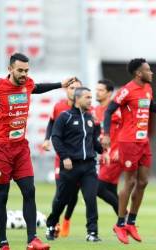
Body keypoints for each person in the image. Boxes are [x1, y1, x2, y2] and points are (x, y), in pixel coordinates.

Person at [0, 52, 75, 250]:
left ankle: (32, 240)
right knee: (2, 195)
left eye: (26, 70)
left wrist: (61, 84)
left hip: (20, 147)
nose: (24, 74)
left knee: (29, 191)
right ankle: (3, 243)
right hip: (1, 148)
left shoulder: (28, 83)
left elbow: (38, 88)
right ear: (10, 69)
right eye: (20, 70)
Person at [102, 58, 156, 244]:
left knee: (143, 182)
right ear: (139, 73)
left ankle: (131, 222)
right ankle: (120, 224)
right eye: (148, 70)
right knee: (130, 181)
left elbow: (149, 106)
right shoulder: (126, 90)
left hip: (143, 142)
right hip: (128, 142)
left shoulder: (147, 89)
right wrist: (106, 134)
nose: (152, 72)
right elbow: (109, 111)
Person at [46, 87, 103, 242]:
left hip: (89, 166)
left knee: (90, 198)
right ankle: (51, 224)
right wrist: (64, 157)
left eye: (91, 97)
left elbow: (94, 142)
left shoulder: (91, 118)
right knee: (62, 199)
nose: (90, 100)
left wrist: (103, 149)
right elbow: (56, 138)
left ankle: (92, 232)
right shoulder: (65, 117)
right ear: (77, 99)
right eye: (87, 97)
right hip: (70, 167)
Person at [42, 78, 82, 238]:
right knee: (61, 193)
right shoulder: (59, 107)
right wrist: (47, 139)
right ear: (66, 90)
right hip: (62, 157)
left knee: (74, 195)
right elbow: (51, 123)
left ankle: (67, 220)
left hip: (80, 160)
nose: (74, 91)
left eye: (78, 88)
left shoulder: (87, 107)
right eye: (72, 88)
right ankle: (54, 224)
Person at [93, 79, 122, 215]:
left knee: (98, 188)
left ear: (109, 93)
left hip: (115, 155)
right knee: (110, 190)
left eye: (101, 90)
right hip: (103, 156)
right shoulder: (95, 110)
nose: (97, 93)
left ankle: (125, 215)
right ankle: (123, 223)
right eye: (96, 89)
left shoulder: (116, 110)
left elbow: (127, 128)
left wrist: (120, 149)